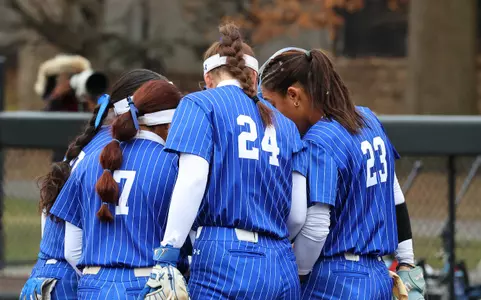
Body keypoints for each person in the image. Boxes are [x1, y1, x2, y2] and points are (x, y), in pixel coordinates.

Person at [139, 23, 307, 300]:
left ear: (208, 79)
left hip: (224, 256)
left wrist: (168, 251)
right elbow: (298, 215)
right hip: (280, 261)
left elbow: (192, 180)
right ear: (254, 77)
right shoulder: (286, 125)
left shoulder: (199, 104)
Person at [259, 48, 425, 299]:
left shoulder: (319, 139)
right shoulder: (368, 119)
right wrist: (406, 261)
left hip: (334, 283)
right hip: (377, 277)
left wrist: (296, 277)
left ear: (293, 95)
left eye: (272, 104)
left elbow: (316, 227)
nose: (270, 115)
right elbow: (395, 196)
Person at [20, 69, 171, 300]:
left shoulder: (93, 142)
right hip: (72, 276)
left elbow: (50, 211)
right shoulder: (114, 148)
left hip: (45, 274)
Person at [50, 80, 187, 300]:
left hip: (92, 286)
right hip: (147, 284)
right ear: (169, 124)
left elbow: (71, 251)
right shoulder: (174, 163)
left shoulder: (90, 159)